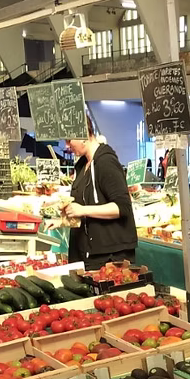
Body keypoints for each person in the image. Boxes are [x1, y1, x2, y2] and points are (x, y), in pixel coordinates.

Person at [63, 115, 137, 270]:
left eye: (69, 140)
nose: (67, 145)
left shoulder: (106, 162)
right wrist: (61, 218)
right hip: (87, 252)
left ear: (83, 135)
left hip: (108, 257)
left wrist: (83, 210)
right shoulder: (82, 165)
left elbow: (122, 207)